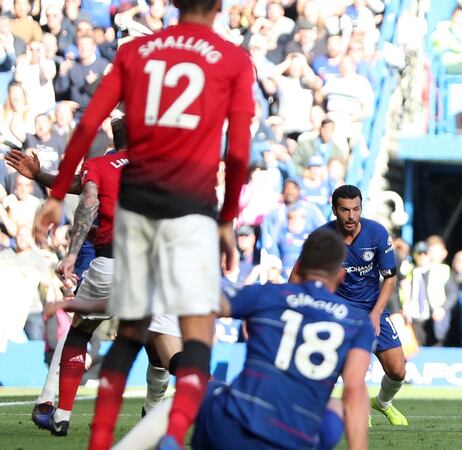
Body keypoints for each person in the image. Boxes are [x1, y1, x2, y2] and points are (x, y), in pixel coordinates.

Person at [33, 0, 255, 448]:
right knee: (182, 339)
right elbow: (237, 151)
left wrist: (56, 194)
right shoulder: (234, 59)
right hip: (191, 216)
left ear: (173, 5)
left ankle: (99, 436)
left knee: (129, 335)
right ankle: (192, 421)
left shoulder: (138, 52)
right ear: (217, 8)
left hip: (138, 216)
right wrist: (228, 218)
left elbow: (88, 122)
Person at [46, 227, 371, 450]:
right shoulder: (357, 321)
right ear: (340, 275)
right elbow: (355, 392)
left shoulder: (268, 295)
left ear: (300, 267)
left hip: (229, 429)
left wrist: (88, 303)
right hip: (291, 439)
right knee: (336, 409)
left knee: (199, 386)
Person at [6, 118, 181, 436]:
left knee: (81, 329)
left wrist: (70, 254)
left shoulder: (101, 165)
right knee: (164, 346)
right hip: (157, 266)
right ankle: (184, 393)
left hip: (110, 259)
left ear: (114, 140)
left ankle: (58, 414)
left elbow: (86, 197)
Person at [320, 184, 408, 426]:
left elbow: (390, 277)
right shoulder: (323, 238)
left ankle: (382, 403)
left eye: (356, 209)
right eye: (345, 210)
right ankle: (354, 408)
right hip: (340, 311)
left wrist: (377, 312)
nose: (351, 216)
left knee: (398, 371)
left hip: (373, 308)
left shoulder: (377, 233)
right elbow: (299, 275)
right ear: (334, 209)